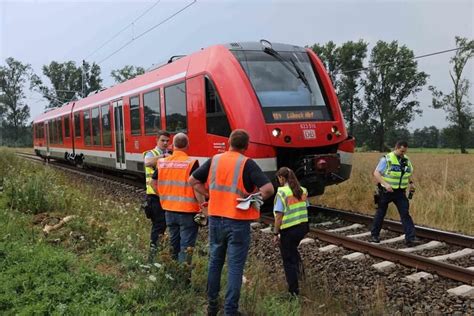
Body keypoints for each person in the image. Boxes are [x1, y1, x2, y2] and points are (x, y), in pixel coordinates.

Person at [189, 129, 274, 316]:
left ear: (228, 142)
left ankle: (211, 308)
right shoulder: (247, 164)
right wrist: (252, 198)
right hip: (238, 223)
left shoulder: (215, 160)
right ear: (247, 146)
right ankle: (230, 311)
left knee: (214, 263)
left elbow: (192, 180)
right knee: (235, 267)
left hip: (216, 220)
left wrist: (209, 194)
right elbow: (268, 189)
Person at [157, 133, 204, 264]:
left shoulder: (162, 163)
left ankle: (172, 274)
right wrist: (202, 206)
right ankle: (183, 278)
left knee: (173, 244)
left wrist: (163, 196)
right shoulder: (191, 163)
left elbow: (153, 183)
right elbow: (196, 186)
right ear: (187, 145)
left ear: (173, 145)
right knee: (186, 248)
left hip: (169, 211)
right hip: (187, 213)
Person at [370, 140, 418, 247]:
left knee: (405, 214)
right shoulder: (386, 159)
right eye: (401, 151)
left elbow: (406, 173)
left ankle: (410, 238)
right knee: (381, 213)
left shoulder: (406, 159)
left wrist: (411, 183)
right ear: (396, 148)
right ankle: (374, 235)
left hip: (400, 192)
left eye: (405, 151)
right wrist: (385, 184)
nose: (403, 153)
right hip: (386, 192)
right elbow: (376, 173)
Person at [272, 167, 309, 296]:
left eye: (279, 179)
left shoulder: (281, 192)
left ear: (282, 178)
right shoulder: (303, 190)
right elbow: (306, 206)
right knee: (293, 249)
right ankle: (301, 275)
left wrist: (276, 233)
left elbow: (278, 216)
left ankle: (293, 292)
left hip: (289, 230)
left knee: (287, 259)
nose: (279, 181)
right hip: (303, 227)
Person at [143, 130, 171, 263]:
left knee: (162, 226)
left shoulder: (170, 154)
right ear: (157, 140)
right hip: (154, 196)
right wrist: (164, 157)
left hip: (164, 196)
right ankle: (152, 258)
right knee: (158, 226)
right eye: (163, 140)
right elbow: (147, 162)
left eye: (167, 141)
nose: (165, 143)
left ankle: (158, 255)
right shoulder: (151, 153)